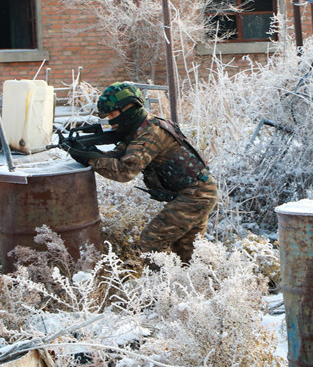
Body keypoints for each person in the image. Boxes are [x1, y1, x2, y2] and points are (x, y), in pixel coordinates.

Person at [63, 82, 217, 266]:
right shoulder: (140, 129)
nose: (111, 121)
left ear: (129, 108)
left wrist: (91, 159)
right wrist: (90, 153)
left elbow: (125, 171)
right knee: (187, 254)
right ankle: (190, 287)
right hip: (196, 192)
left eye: (113, 114)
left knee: (152, 242)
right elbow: (118, 156)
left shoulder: (149, 133)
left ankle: (158, 289)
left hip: (197, 195)